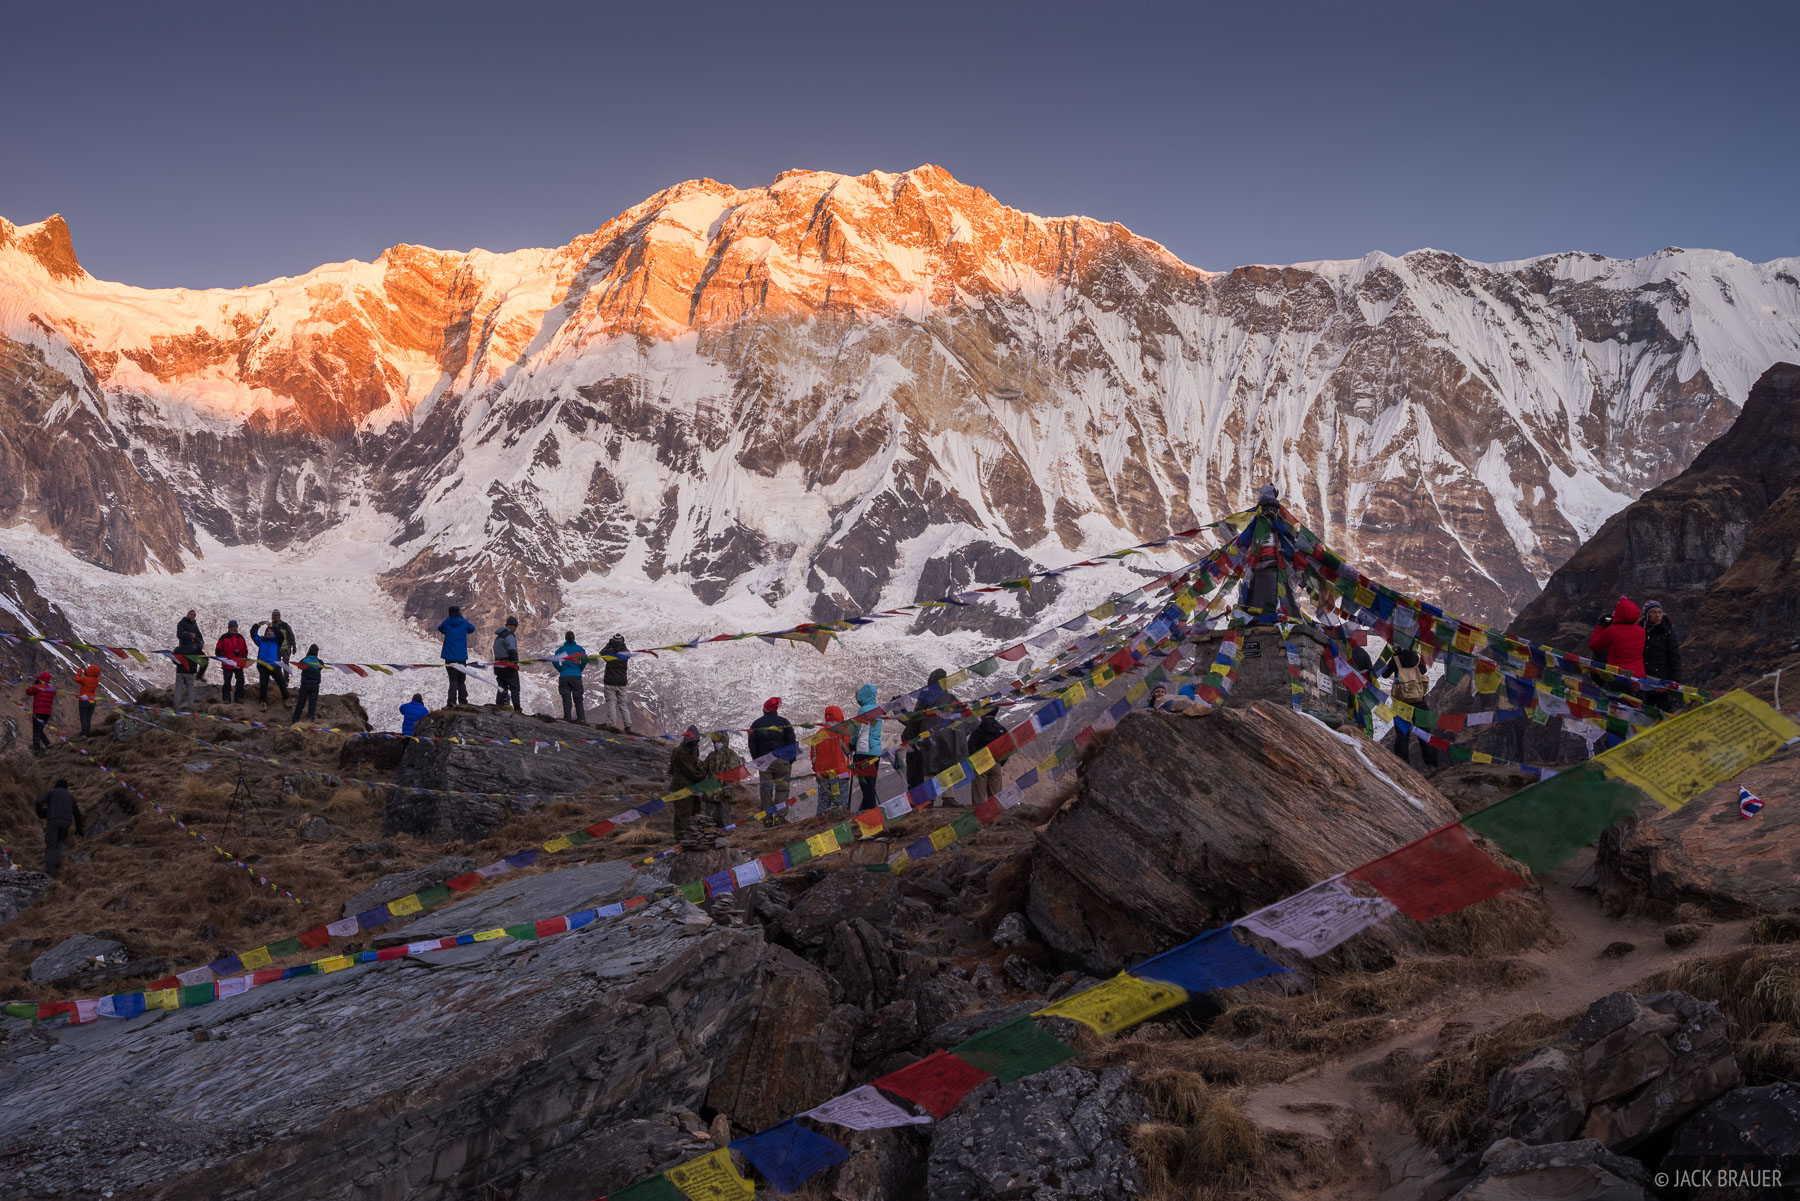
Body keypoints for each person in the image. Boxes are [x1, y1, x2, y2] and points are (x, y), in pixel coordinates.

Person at [1380, 647, 1437, 769]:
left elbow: (1384, 674)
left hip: (1402, 702)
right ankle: (1431, 763)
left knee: (1402, 734)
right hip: (1418, 700)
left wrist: (1393, 658)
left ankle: (1403, 763)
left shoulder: (1396, 659)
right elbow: (1422, 670)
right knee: (1425, 732)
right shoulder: (1417, 657)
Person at [905, 669, 951, 790]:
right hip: (946, 735)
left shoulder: (926, 695)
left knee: (929, 764)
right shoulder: (950, 697)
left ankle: (929, 797)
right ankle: (949, 797)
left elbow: (917, 716)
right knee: (945, 765)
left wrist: (911, 736)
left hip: (928, 735)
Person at [749, 697, 797, 811]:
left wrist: (758, 760)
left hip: (764, 761)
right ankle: (779, 817)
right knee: (782, 789)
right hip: (782, 760)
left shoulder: (756, 724)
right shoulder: (785, 722)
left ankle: (767, 818)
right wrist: (790, 760)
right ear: (776, 710)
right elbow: (792, 743)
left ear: (764, 710)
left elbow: (752, 745)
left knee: (766, 790)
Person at [1588, 595, 1647, 680]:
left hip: (1617, 676)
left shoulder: (1612, 631)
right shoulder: (1642, 631)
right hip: (1638, 677)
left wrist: (1601, 626)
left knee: (1615, 693)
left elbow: (1594, 645)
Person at [35, 779, 84, 879]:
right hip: (66, 822)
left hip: (53, 821)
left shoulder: (52, 792)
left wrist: (42, 813)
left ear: (56, 786)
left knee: (51, 845)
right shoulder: (70, 796)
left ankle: (49, 872)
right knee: (59, 843)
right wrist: (79, 828)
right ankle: (57, 867)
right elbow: (77, 813)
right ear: (66, 787)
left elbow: (38, 801)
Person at [669, 726, 709, 840]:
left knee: (694, 811)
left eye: (697, 741)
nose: (695, 743)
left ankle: (691, 836)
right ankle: (681, 838)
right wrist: (703, 774)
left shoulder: (693, 748)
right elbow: (691, 772)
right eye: (693, 741)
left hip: (692, 787)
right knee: (683, 813)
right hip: (682, 787)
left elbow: (695, 764)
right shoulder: (681, 752)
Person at [1642, 601, 1683, 711]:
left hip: (1664, 680)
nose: (1657, 615)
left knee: (1665, 713)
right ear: (1647, 615)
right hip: (1643, 679)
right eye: (1653, 612)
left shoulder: (1668, 632)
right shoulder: (1640, 630)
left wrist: (1675, 679)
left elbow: (1674, 656)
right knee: (1645, 714)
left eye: (1660, 612)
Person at [811, 705, 852, 814]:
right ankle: (839, 828)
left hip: (823, 775)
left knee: (823, 802)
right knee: (839, 804)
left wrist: (817, 770)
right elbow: (848, 750)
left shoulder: (818, 735)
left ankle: (819, 825)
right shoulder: (843, 733)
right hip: (840, 774)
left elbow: (813, 758)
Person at [850, 683, 884, 813]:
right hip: (876, 751)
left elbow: (857, 730)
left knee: (866, 784)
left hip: (864, 750)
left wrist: (851, 744)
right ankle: (864, 810)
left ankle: (871, 813)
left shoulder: (864, 710)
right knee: (870, 783)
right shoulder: (878, 709)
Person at [968, 706, 1009, 805]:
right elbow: (1007, 748)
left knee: (978, 796)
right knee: (995, 797)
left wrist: (974, 762)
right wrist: (1001, 762)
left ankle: (978, 817)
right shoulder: (1002, 729)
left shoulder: (978, 729)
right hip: (996, 763)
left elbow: (970, 745)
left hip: (980, 763)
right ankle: (994, 817)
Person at [702, 730, 741, 829]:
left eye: (719, 741)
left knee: (725, 821)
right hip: (711, 793)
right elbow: (703, 769)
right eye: (715, 742)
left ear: (725, 741)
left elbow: (735, 774)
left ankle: (725, 840)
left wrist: (729, 787)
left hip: (725, 794)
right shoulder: (711, 756)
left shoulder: (731, 755)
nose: (717, 744)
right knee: (709, 821)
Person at [438, 605, 476, 707]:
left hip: (449, 657)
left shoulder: (446, 622)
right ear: (458, 612)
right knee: (461, 680)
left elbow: (440, 629)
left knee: (453, 680)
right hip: (461, 657)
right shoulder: (463, 622)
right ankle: (463, 701)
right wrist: (462, 619)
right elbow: (472, 629)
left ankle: (451, 702)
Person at [249, 620, 289, 705]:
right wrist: (257, 626)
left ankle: (286, 699)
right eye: (267, 631)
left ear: (274, 633)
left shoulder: (277, 641)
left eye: (270, 631)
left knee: (281, 682)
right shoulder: (261, 641)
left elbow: (281, 635)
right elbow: (253, 634)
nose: (269, 632)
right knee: (263, 684)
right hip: (263, 665)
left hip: (275, 665)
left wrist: (273, 627)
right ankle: (263, 702)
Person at [554, 630, 588, 722]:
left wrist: (561, 669)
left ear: (565, 638)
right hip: (576, 675)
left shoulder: (561, 649)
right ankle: (581, 719)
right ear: (574, 638)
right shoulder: (579, 649)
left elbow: (554, 660)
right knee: (578, 698)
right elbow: (584, 660)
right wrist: (579, 669)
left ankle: (567, 718)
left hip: (564, 676)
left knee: (566, 698)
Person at [173, 609, 203, 711]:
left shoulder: (178, 649)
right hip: (191, 669)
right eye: (191, 614)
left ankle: (176, 708)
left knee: (179, 689)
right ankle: (191, 708)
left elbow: (174, 659)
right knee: (190, 689)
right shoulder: (195, 648)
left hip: (181, 669)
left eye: (194, 614)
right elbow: (200, 642)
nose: (192, 616)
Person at [600, 633, 630, 731]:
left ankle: (612, 724)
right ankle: (628, 724)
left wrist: (609, 644)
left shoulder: (610, 655)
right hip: (621, 683)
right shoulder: (625, 654)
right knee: (623, 704)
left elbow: (601, 653)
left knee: (611, 703)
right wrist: (621, 645)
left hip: (610, 682)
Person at [215, 620, 248, 703]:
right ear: (228, 628)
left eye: (235, 627)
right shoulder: (223, 637)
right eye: (232, 627)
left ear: (237, 627)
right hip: (227, 664)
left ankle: (239, 697)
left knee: (240, 680)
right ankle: (226, 698)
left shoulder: (241, 637)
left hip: (238, 664)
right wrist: (223, 659)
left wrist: (244, 658)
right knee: (227, 681)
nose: (234, 628)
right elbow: (218, 650)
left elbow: (245, 649)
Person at [492, 617, 521, 710]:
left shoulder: (498, 637)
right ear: (512, 626)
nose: (515, 629)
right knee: (515, 687)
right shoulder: (509, 635)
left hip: (498, 666)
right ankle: (517, 708)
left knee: (502, 687)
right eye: (515, 627)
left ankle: (500, 707)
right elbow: (512, 650)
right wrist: (515, 663)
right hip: (508, 665)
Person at [25, 671, 56, 753]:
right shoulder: (52, 688)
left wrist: (34, 684)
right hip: (47, 713)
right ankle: (47, 744)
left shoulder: (37, 686)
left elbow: (28, 691)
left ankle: (37, 750)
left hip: (38, 712)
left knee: (36, 731)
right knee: (39, 729)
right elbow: (54, 692)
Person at [266, 609, 297, 691]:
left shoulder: (284, 625)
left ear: (279, 617)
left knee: (286, 664)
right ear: (272, 617)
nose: (275, 618)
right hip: (276, 649)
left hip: (286, 648)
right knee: (277, 665)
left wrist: (294, 646)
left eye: (277, 616)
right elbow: (266, 637)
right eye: (274, 616)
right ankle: (279, 680)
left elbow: (291, 635)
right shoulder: (270, 626)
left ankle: (286, 680)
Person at [292, 644, 324, 722]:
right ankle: (310, 720)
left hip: (305, 684)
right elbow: (321, 667)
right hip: (315, 685)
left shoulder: (304, 660)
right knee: (312, 703)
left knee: (301, 702)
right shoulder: (319, 662)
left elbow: (299, 666)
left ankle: (295, 719)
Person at [75, 664, 101, 737]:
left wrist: (80, 670)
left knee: (83, 718)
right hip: (92, 700)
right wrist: (86, 670)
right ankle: (87, 733)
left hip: (84, 700)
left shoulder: (85, 679)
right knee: (88, 718)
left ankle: (84, 734)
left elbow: (76, 678)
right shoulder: (96, 680)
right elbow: (90, 674)